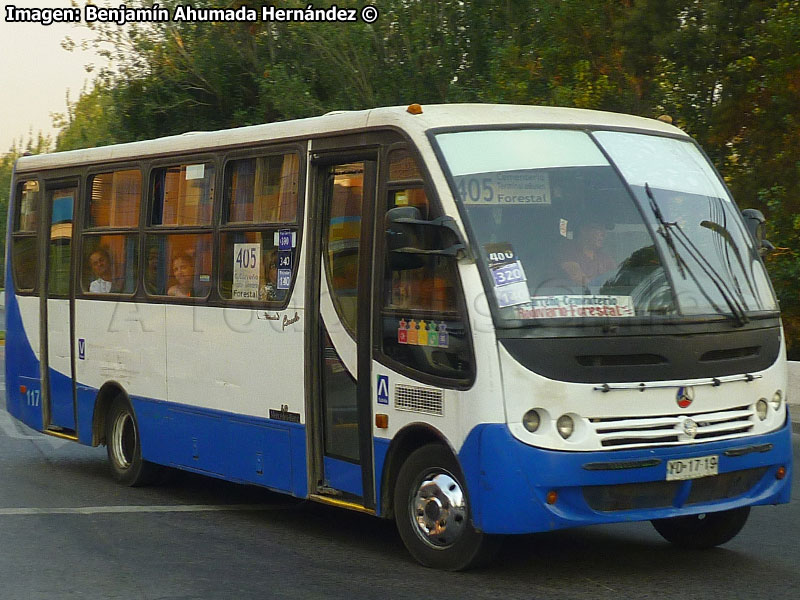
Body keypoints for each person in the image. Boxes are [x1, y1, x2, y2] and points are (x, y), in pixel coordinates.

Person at [560, 220, 616, 287]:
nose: (603, 233)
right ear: (583, 230)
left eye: (604, 229)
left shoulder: (604, 258)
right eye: (598, 228)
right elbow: (579, 280)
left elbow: (617, 279)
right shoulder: (567, 251)